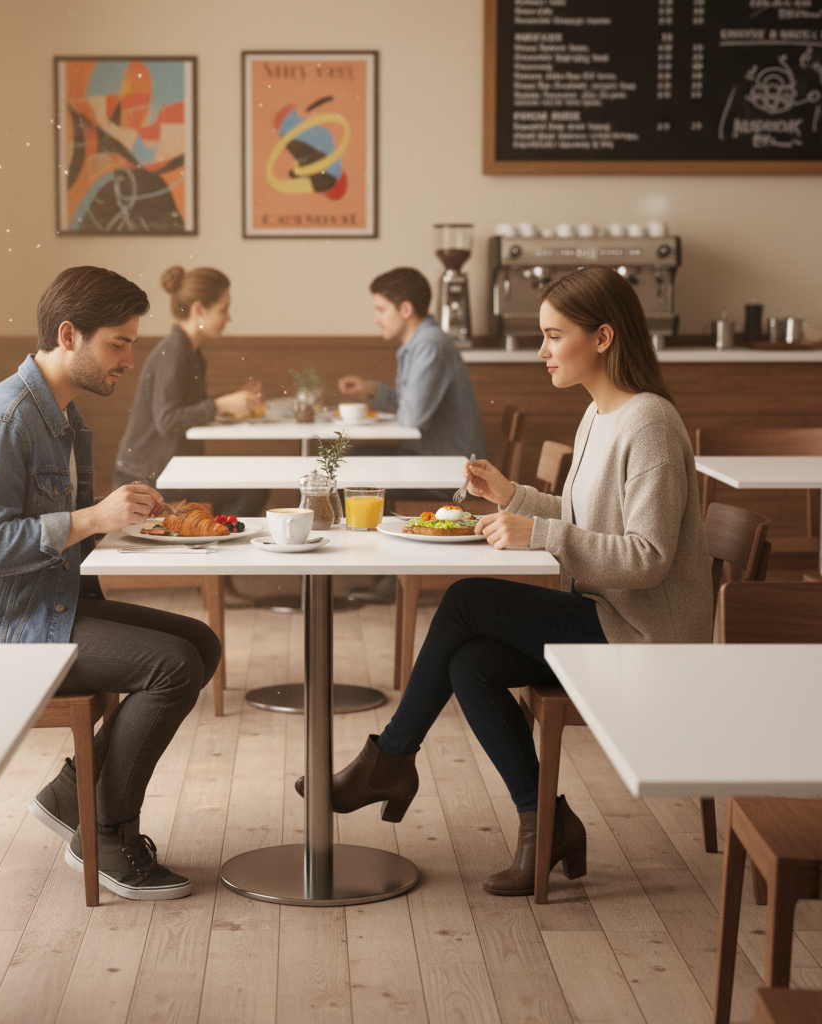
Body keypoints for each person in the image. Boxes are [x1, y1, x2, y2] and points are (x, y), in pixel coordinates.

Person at [299, 266, 713, 897]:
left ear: (603, 337)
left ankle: (390, 760)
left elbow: (649, 558)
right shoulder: (599, 415)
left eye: (552, 335)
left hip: (644, 634)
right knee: (471, 664)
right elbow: (582, 518)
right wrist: (514, 496)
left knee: (468, 599)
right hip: (605, 613)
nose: (541, 351)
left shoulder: (648, 423)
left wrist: (537, 533)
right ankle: (546, 826)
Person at [0, 266, 221, 901]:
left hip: (45, 607)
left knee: (201, 644)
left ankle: (71, 793)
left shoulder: (63, 417)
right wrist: (94, 517)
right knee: (172, 666)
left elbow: (63, 536)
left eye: (132, 345)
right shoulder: (5, 421)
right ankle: (107, 835)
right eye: (118, 344)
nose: (129, 360)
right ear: (69, 335)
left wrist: (135, 517)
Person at [114, 265, 267, 517]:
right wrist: (220, 405)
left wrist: (229, 398)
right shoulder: (174, 352)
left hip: (166, 470)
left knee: (253, 485)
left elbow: (185, 407)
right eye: (223, 309)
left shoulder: (188, 351)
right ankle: (209, 535)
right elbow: (168, 420)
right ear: (198, 309)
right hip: (146, 478)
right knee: (254, 489)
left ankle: (206, 535)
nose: (228, 318)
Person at [337, 267, 486, 462]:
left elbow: (411, 419)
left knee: (349, 463)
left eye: (381, 310)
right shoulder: (422, 343)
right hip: (433, 460)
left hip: (446, 471)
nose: (376, 319)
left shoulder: (429, 346)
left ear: (406, 310)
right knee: (352, 459)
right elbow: (412, 405)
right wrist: (371, 388)